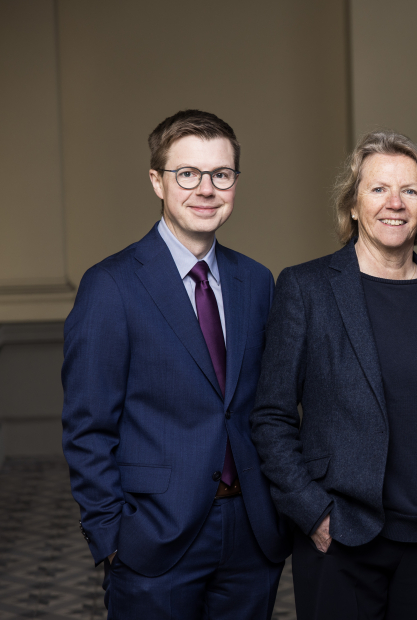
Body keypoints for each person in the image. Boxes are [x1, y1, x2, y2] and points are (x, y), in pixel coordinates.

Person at [61, 110, 290, 618]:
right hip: (153, 537)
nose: (205, 189)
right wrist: (110, 536)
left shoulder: (257, 282)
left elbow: (263, 408)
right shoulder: (112, 285)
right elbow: (87, 426)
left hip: (251, 532)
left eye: (221, 175)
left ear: (234, 183)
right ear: (157, 182)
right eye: (187, 174)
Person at [250, 130, 417, 620]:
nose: (394, 203)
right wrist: (313, 512)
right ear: (353, 205)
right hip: (344, 536)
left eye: (410, 191)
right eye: (378, 189)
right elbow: (270, 416)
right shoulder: (306, 288)